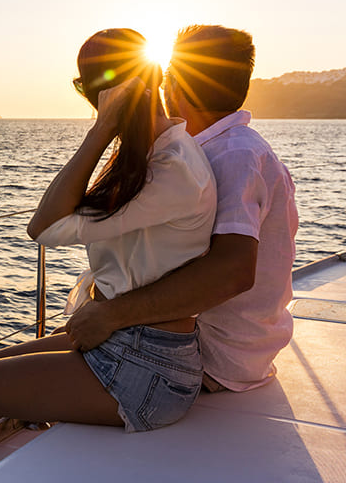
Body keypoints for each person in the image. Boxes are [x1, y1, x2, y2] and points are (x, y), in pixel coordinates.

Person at [0, 28, 217, 483]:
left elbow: (43, 228)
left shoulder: (172, 168)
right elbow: (55, 223)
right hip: (124, 345)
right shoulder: (150, 155)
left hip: (148, 372)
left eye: (90, 92)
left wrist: (103, 128)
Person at [64, 25, 298, 393]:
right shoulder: (219, 149)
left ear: (174, 84)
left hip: (207, 355)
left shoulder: (234, 155)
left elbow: (233, 271)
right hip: (198, 342)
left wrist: (111, 314)